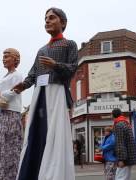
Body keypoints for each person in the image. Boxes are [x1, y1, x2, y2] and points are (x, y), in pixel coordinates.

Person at [13, 7, 78, 180]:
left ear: (63, 23)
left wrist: (56, 65)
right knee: (35, 132)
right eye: (45, 18)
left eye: (52, 17)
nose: (47, 21)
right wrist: (24, 85)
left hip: (56, 93)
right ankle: (31, 172)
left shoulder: (69, 44)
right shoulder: (41, 50)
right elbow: (33, 73)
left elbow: (72, 69)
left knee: (53, 134)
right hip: (39, 96)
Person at [0, 48, 23, 180]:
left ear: (15, 59)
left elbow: (16, 90)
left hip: (10, 115)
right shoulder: (5, 77)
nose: (3, 58)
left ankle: (8, 176)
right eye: (3, 56)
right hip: (0, 114)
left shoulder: (17, 75)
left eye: (7, 56)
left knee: (9, 149)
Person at [112, 108, 136, 180]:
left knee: (120, 177)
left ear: (113, 116)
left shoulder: (119, 125)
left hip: (125, 158)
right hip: (129, 156)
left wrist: (121, 159)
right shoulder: (125, 123)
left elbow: (120, 143)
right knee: (125, 177)